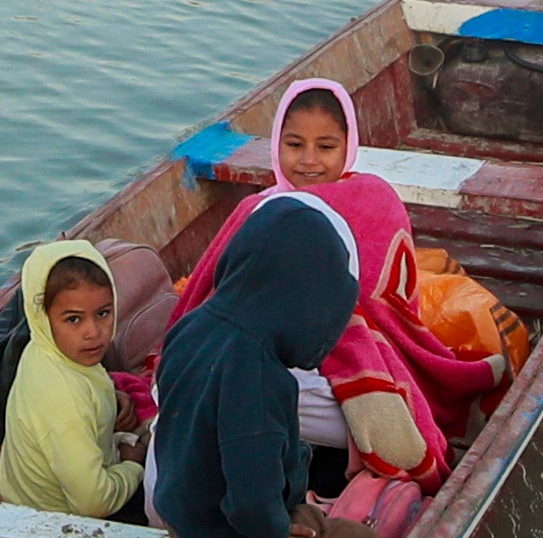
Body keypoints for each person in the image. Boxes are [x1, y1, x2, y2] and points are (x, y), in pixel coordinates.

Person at [181, 77, 461, 471]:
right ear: (277, 143)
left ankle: (341, 455)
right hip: (268, 355)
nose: (309, 160)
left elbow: (382, 307)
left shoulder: (373, 201)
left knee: (237, 389)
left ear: (349, 147)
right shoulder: (259, 208)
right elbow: (217, 292)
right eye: (294, 145)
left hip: (355, 356)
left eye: (326, 147)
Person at [149, 187, 401, 538]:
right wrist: (274, 536)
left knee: (292, 505)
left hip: (181, 521)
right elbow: (250, 494)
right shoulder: (260, 378)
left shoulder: (190, 327)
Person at [0, 240, 147, 517]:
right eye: (74, 319)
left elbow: (86, 388)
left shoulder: (44, 349)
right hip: (54, 526)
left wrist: (109, 397)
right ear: (42, 317)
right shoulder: (60, 397)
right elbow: (93, 504)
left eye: (103, 313)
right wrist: (133, 467)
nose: (93, 332)